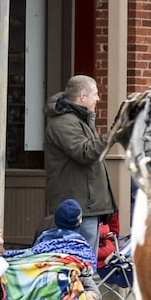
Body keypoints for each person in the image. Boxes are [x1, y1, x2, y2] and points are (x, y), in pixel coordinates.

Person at [44, 75, 113, 252]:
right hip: (77, 208)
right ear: (83, 97)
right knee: (81, 265)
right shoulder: (63, 123)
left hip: (85, 205)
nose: (98, 99)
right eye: (95, 94)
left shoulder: (78, 120)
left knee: (85, 264)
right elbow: (85, 152)